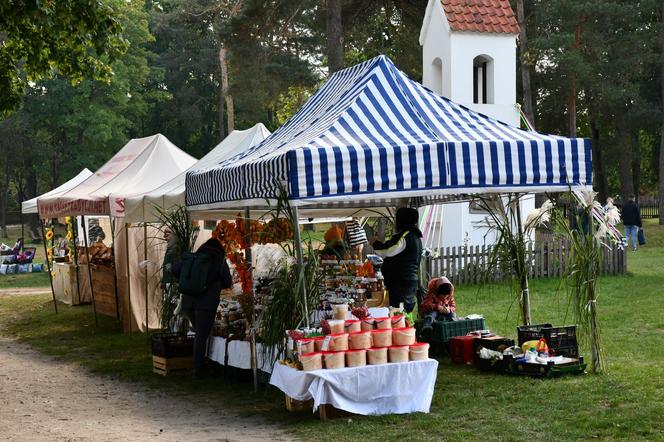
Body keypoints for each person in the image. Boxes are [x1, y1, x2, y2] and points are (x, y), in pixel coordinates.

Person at [180, 237, 232, 379]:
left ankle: (203, 363)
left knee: (199, 333)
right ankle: (198, 370)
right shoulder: (218, 259)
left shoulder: (196, 257)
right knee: (201, 336)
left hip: (188, 302)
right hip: (205, 304)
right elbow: (227, 281)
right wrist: (215, 284)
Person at [372, 207, 423, 312]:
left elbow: (389, 250)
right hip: (407, 280)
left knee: (398, 311)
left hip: (401, 281)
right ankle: (407, 326)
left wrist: (375, 243)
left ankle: (403, 327)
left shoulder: (406, 235)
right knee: (403, 311)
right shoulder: (415, 236)